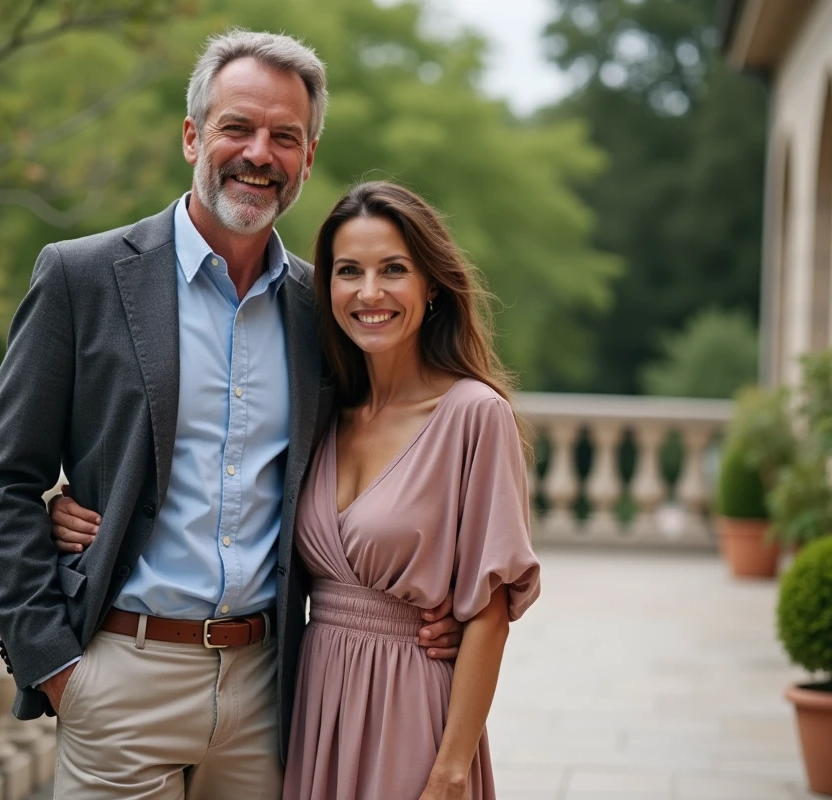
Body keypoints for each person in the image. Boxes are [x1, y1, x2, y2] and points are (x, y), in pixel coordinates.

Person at [0, 30, 462, 800]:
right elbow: (3, 482)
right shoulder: (82, 277)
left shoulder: (321, 308)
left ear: (308, 154)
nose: (259, 153)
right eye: (238, 127)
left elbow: (377, 464)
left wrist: (428, 609)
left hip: (272, 690)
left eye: (285, 137)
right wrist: (55, 666)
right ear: (194, 134)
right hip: (121, 676)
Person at [54, 181, 541, 799]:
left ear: (433, 285)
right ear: (326, 288)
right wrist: (67, 511)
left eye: (394, 270)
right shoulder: (327, 408)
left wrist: (449, 773)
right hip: (310, 709)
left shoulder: (475, 415)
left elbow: (490, 613)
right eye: (348, 271)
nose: (370, 293)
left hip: (409, 707)